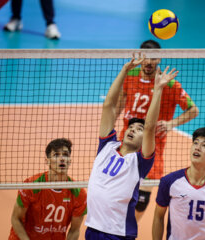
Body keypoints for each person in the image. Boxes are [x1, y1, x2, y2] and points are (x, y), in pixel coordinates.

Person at [85, 53, 178, 239]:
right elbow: (108, 106)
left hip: (117, 233)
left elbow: (150, 127)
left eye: (138, 129)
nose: (133, 129)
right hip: (92, 229)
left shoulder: (139, 162)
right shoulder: (107, 146)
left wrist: (158, 89)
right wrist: (124, 71)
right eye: (131, 126)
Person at [116, 39, 199, 221]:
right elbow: (122, 96)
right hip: (127, 141)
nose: (149, 62)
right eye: (145, 58)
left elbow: (193, 110)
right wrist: (113, 120)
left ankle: (130, 229)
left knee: (142, 197)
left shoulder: (169, 85)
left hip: (153, 146)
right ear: (140, 57)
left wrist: (170, 124)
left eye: (154, 58)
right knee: (120, 191)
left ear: (159, 60)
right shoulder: (130, 74)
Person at [152, 127, 205, 240]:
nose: (197, 147)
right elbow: (158, 217)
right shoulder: (169, 181)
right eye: (195, 143)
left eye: (204, 145)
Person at [8, 138, 87, 240]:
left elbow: (74, 230)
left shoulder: (78, 193)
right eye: (56, 155)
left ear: (70, 161)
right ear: (47, 161)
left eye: (65, 155)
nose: (62, 158)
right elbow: (16, 219)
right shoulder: (32, 186)